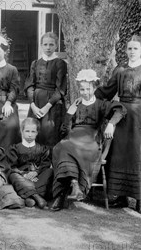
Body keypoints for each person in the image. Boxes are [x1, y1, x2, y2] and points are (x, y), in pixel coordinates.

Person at [95, 35, 141, 215]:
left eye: (135, 48)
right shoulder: (120, 71)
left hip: (140, 121)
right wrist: (88, 93)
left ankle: (140, 200)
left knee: (137, 157)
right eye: (129, 48)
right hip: (121, 117)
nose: (132, 52)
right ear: (125, 51)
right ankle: (121, 196)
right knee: (119, 155)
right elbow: (108, 91)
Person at [51, 69, 125, 211]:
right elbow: (64, 130)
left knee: (68, 147)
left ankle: (67, 192)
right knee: (62, 146)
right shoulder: (76, 105)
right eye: (82, 89)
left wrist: (111, 124)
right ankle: (72, 186)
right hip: (73, 137)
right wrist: (69, 113)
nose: (84, 92)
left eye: (88, 89)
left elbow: (120, 109)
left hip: (91, 139)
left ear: (95, 88)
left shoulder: (101, 104)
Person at [24, 32, 68, 147]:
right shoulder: (35, 63)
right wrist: (33, 105)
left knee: (50, 132)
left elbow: (60, 89)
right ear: (41, 45)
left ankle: (49, 162)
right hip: (36, 101)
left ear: (56, 46)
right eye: (45, 44)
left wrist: (47, 107)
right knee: (33, 131)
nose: (48, 47)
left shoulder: (60, 63)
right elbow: (29, 85)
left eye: (51, 44)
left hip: (52, 103)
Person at [6, 118, 53, 209]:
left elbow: (45, 165)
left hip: (37, 178)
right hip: (21, 177)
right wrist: (24, 175)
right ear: (22, 131)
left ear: (37, 133)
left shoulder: (42, 149)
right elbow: (12, 166)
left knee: (50, 172)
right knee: (13, 175)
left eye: (33, 131)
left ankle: (29, 197)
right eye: (27, 131)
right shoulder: (14, 149)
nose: (30, 135)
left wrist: (36, 172)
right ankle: (37, 198)